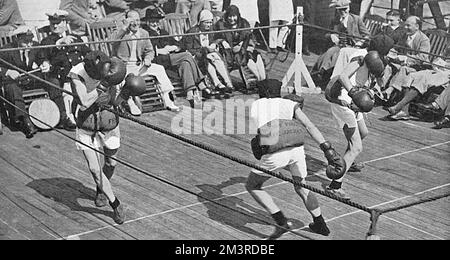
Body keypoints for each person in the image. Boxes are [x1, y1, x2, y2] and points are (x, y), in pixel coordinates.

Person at [248, 79, 347, 239]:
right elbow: (309, 126)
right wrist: (328, 150)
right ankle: (320, 224)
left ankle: (281, 221)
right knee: (302, 187)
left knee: (253, 185)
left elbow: (264, 131)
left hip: (277, 150)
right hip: (297, 150)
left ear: (265, 93)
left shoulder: (257, 105)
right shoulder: (288, 104)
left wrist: (259, 144)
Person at [324, 36, 394, 199]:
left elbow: (373, 81)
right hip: (344, 101)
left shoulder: (376, 59)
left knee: (363, 133)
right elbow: (343, 77)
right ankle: (335, 186)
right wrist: (354, 92)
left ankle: (345, 162)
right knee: (356, 147)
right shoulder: (361, 55)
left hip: (353, 103)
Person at [68, 51, 128, 224]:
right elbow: (85, 101)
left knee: (111, 164)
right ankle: (115, 204)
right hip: (86, 124)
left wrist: (126, 94)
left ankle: (100, 189)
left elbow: (115, 100)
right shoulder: (77, 74)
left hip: (108, 123)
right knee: (95, 169)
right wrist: (103, 85)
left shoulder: (113, 67)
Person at [111, 10, 180, 113]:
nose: (135, 23)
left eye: (138, 20)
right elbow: (112, 41)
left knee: (159, 69)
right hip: (125, 67)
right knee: (121, 77)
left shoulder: (143, 33)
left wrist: (148, 59)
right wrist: (124, 28)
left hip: (139, 65)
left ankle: (167, 98)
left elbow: (150, 51)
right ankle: (130, 102)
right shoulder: (120, 33)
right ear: (126, 21)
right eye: (132, 20)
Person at [141, 7, 210, 108]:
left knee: (185, 63)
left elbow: (180, 44)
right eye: (152, 22)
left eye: (156, 21)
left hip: (171, 58)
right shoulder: (145, 34)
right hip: (158, 61)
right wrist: (159, 51)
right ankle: (200, 82)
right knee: (187, 55)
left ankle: (189, 93)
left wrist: (173, 47)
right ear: (147, 22)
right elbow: (144, 51)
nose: (155, 24)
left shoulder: (163, 32)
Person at [0, 26, 58, 138]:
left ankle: (61, 116)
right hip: (14, 81)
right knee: (12, 88)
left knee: (53, 81)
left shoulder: (35, 46)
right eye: (26, 42)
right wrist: (7, 71)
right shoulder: (6, 50)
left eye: (30, 41)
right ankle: (25, 121)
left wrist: (45, 63)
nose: (29, 45)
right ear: (17, 39)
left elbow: (42, 59)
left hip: (30, 79)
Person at [39, 10, 91, 131]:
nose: (55, 26)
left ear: (65, 23)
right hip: (59, 75)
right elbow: (42, 57)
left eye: (57, 23)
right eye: (53, 23)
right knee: (63, 85)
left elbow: (88, 53)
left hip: (79, 74)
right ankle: (66, 117)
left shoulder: (75, 38)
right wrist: (59, 43)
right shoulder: (46, 42)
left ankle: (84, 113)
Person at [312, 0, 370, 88]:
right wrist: (331, 35)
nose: (343, 12)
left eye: (345, 9)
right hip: (340, 45)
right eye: (340, 10)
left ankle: (329, 79)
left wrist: (359, 43)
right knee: (330, 52)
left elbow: (367, 35)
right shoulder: (335, 21)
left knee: (336, 55)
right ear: (337, 10)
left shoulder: (356, 19)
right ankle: (321, 73)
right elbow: (327, 33)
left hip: (354, 47)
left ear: (349, 8)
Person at [183, 9, 234, 96]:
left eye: (210, 22)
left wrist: (217, 43)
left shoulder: (211, 30)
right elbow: (188, 49)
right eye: (206, 22)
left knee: (215, 57)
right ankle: (218, 83)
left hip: (209, 56)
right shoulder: (192, 32)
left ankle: (227, 83)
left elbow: (218, 38)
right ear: (200, 22)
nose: (209, 25)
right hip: (197, 58)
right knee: (210, 58)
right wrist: (204, 53)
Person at [214, 5, 266, 81]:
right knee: (246, 58)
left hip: (245, 49)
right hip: (230, 53)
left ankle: (262, 79)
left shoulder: (244, 23)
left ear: (238, 16)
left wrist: (245, 46)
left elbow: (249, 37)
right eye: (229, 16)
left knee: (256, 56)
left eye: (234, 16)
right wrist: (222, 41)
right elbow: (215, 37)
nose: (232, 19)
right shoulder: (221, 24)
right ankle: (259, 79)